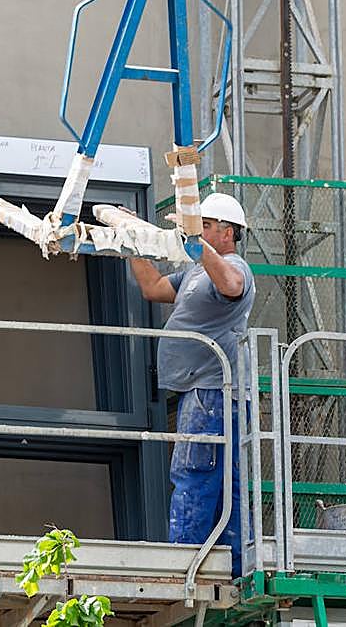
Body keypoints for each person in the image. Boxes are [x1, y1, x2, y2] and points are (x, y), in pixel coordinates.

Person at [126, 192, 255, 574]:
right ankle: (231, 566)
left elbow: (231, 283)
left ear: (227, 232)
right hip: (203, 392)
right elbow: (153, 288)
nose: (196, 233)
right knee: (223, 483)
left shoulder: (234, 267)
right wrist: (132, 244)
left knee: (194, 473)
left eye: (206, 226)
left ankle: (183, 567)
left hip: (212, 392)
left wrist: (197, 245)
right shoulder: (196, 273)